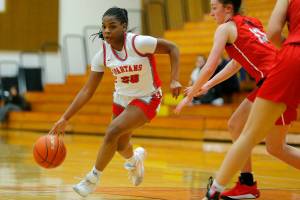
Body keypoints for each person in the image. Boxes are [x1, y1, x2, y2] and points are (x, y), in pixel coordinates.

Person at [49, 7, 181, 198]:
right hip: (121, 99)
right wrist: (65, 118)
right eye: (104, 27)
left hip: (148, 97)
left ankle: (91, 180)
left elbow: (173, 48)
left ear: (124, 27)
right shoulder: (102, 55)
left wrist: (175, 78)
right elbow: (87, 90)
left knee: (112, 131)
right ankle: (135, 160)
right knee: (119, 145)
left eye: (112, 26)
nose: (107, 31)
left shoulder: (138, 43)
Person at [174, 0, 299, 199]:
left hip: (276, 80)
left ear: (228, 8)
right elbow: (236, 63)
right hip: (273, 77)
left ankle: (229, 187)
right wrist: (206, 86)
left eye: (214, 8)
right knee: (236, 125)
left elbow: (208, 66)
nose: (211, 13)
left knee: (276, 147)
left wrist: (188, 96)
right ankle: (246, 183)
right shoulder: (251, 22)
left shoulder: (224, 29)